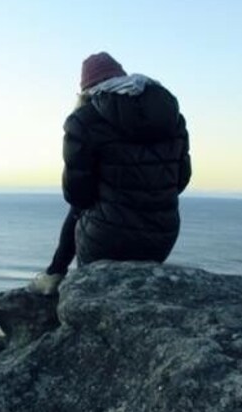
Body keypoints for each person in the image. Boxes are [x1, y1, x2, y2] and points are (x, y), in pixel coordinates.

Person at [28, 52, 191, 295]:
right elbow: (181, 179)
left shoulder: (84, 120)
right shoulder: (171, 115)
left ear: (87, 88)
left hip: (108, 239)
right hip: (162, 234)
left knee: (79, 212)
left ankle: (54, 275)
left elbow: (78, 195)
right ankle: (55, 273)